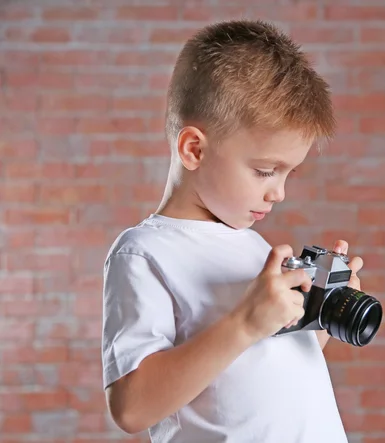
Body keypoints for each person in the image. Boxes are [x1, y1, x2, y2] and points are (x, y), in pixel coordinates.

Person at [101, 19, 364, 443]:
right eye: (265, 170)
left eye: (288, 174)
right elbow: (132, 407)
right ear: (194, 149)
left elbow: (275, 366)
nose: (278, 192)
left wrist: (318, 315)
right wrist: (244, 322)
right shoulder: (144, 252)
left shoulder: (255, 247)